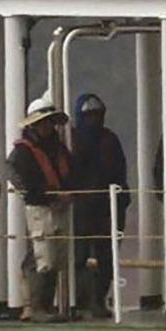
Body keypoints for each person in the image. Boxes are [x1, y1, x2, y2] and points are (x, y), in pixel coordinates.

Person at [1, 94, 76, 315]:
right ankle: (34, 306)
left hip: (60, 206)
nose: (47, 127)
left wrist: (66, 194)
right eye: (42, 123)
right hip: (39, 209)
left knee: (56, 257)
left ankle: (45, 305)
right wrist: (48, 197)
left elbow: (70, 173)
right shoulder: (22, 152)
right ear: (33, 125)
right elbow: (20, 179)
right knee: (43, 256)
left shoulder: (58, 148)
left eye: (49, 122)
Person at [66, 92, 130, 312]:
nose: (93, 120)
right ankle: (80, 300)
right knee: (79, 256)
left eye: (97, 115)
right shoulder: (71, 140)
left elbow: (120, 172)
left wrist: (121, 199)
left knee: (107, 256)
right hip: (80, 209)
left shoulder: (110, 140)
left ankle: (98, 300)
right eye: (89, 116)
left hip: (107, 208)